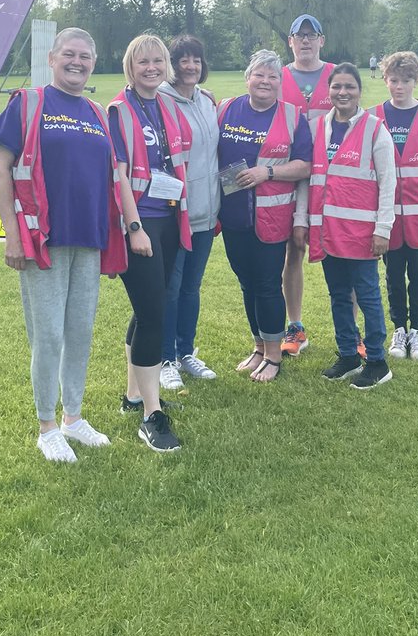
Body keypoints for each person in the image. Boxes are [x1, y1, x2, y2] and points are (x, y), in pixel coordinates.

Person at [0, 27, 123, 463]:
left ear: (93, 62)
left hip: (88, 237)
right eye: (69, 54)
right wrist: (11, 233)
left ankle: (73, 418)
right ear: (52, 58)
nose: (77, 62)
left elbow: (112, 174)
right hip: (42, 238)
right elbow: (0, 170)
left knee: (79, 332)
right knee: (48, 335)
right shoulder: (27, 104)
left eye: (85, 56)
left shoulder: (98, 112)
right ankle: (46, 426)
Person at [109, 34, 192, 452]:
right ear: (131, 66)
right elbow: (118, 173)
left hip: (169, 221)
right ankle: (151, 417)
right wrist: (134, 224)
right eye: (143, 61)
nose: (151, 67)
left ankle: (135, 394)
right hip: (140, 224)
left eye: (158, 60)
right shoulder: (118, 110)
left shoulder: (167, 105)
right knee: (154, 315)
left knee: (149, 310)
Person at [293, 62, 396, 388]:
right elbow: (309, 180)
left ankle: (377, 361)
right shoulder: (318, 127)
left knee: (367, 297)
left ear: (359, 91)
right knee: (338, 295)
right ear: (329, 91)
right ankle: (349, 354)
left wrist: (383, 228)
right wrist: (301, 220)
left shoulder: (375, 128)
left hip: (362, 233)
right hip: (328, 231)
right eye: (336, 87)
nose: (342, 92)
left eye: (349, 87)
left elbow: (388, 182)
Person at [217, 50, 312, 382]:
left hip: (272, 220)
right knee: (246, 285)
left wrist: (267, 172)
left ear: (281, 83)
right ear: (248, 78)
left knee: (268, 285)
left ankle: (274, 356)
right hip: (233, 216)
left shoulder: (292, 116)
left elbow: (305, 165)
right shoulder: (226, 109)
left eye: (273, 77)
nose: (266, 82)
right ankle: (259, 346)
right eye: (259, 75)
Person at [373, 51, 418, 361]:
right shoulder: (373, 115)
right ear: (385, 81)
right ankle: (399, 328)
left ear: (416, 81)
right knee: (392, 275)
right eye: (393, 80)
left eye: (405, 81)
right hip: (388, 214)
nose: (399, 87)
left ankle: (417, 330)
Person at [157, 35, 221, 389]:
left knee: (191, 288)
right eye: (184, 59)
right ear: (173, 63)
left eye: (196, 59)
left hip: (206, 213)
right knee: (170, 287)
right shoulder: (160, 101)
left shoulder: (208, 102)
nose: (191, 66)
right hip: (175, 213)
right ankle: (165, 358)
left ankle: (185, 352)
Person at [278, 14, 335, 356]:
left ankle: (351, 329)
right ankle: (295, 325)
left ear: (322, 40)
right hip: (293, 173)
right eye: (299, 36)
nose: (305, 41)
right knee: (294, 246)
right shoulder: (279, 76)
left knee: (343, 246)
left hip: (334, 178)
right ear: (290, 42)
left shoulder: (336, 75)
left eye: (312, 36)